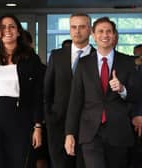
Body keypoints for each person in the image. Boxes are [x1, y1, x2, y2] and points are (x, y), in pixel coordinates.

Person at [65, 17, 140, 168]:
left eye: (108, 31)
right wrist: (69, 133)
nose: (105, 35)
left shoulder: (127, 62)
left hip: (119, 131)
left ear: (114, 35)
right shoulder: (83, 64)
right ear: (93, 34)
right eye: (100, 31)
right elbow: (75, 101)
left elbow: (137, 95)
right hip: (90, 132)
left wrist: (122, 89)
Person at [0, 14, 44, 168]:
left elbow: (38, 94)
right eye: (2, 27)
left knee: (20, 161)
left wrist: (37, 126)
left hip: (20, 117)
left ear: (18, 32)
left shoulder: (31, 59)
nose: (7, 30)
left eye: (12, 26)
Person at [44, 13, 95, 168]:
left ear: (90, 30)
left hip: (89, 127)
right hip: (58, 125)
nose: (77, 31)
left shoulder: (98, 57)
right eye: (73, 27)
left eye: (82, 27)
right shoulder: (56, 56)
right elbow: (47, 91)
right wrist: (49, 117)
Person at [23, 30, 51, 168]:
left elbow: (42, 97)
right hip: (16, 121)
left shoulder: (38, 67)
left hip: (36, 121)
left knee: (37, 158)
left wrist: (38, 124)